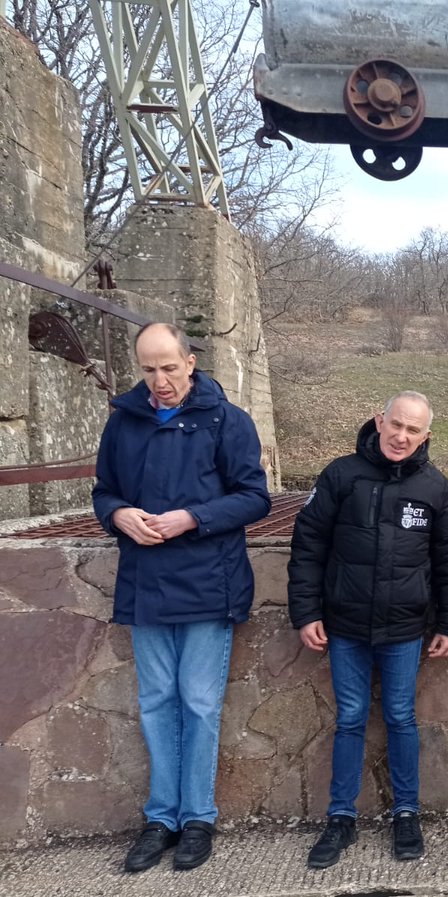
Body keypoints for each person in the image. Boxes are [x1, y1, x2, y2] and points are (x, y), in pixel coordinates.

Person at [92, 322, 271, 873]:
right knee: (154, 705)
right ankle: (160, 819)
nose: (160, 380)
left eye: (169, 367)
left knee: (198, 704)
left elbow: (254, 498)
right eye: (149, 369)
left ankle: (198, 817)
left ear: (190, 361)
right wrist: (119, 514)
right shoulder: (123, 422)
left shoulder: (228, 421)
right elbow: (104, 491)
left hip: (207, 584)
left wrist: (193, 517)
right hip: (145, 583)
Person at [288, 391, 448, 868]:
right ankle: (340, 819)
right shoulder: (340, 476)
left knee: (400, 717)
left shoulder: (435, 488)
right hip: (343, 626)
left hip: (405, 629)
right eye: (396, 425)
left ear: (426, 436)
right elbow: (308, 546)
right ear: (379, 420)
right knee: (349, 718)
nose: (402, 436)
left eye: (413, 430)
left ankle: (406, 814)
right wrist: (306, 613)